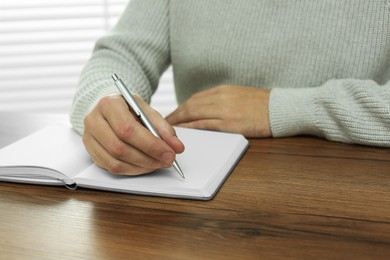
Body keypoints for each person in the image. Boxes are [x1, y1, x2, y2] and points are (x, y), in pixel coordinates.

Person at [70, 0, 390, 175]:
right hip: (199, 193)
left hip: (347, 189)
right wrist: (106, 104)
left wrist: (283, 108)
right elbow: (122, 55)